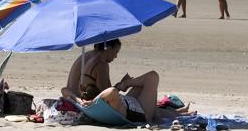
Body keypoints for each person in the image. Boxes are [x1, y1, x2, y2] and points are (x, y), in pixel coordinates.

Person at [60, 39, 190, 124]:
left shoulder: (87, 58)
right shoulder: (101, 65)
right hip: (138, 114)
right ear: (107, 48)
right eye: (115, 51)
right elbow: (111, 91)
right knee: (153, 77)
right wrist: (123, 85)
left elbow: (65, 90)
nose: (116, 56)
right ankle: (168, 114)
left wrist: (78, 99)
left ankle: (175, 113)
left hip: (126, 104)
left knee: (142, 86)